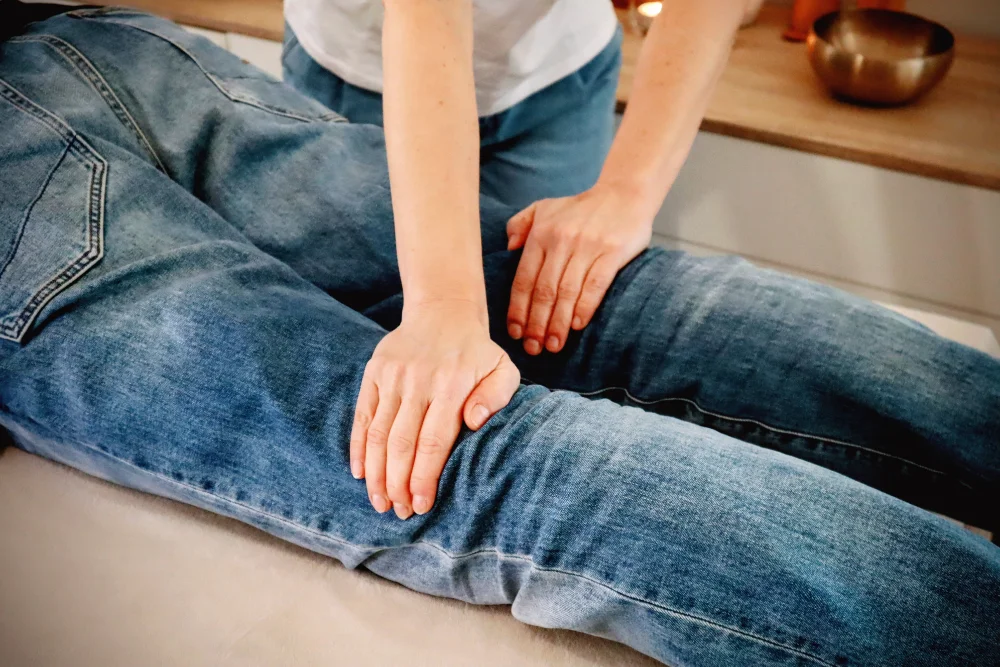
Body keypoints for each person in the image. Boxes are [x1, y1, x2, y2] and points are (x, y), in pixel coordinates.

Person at [0, 7, 998, 666]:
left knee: (473, 429)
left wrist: (610, 204)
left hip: (78, 81)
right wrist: (443, 309)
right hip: (95, 42)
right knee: (559, 353)